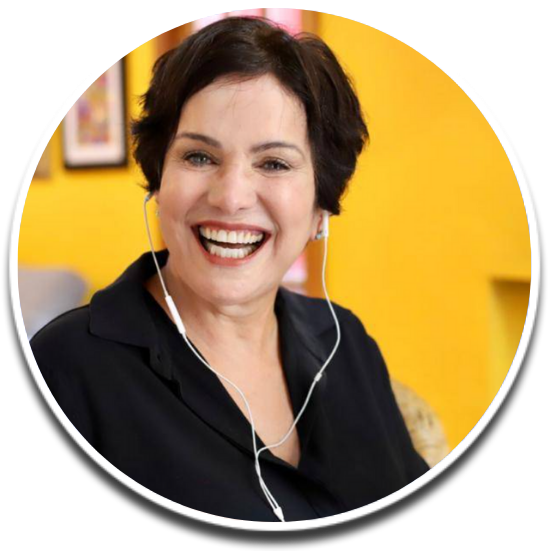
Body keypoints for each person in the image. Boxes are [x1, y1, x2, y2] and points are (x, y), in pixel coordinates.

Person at [30, 17, 429, 522]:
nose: (231, 197)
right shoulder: (66, 370)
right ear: (158, 180)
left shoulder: (346, 341)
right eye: (199, 156)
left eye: (274, 163)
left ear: (320, 206)